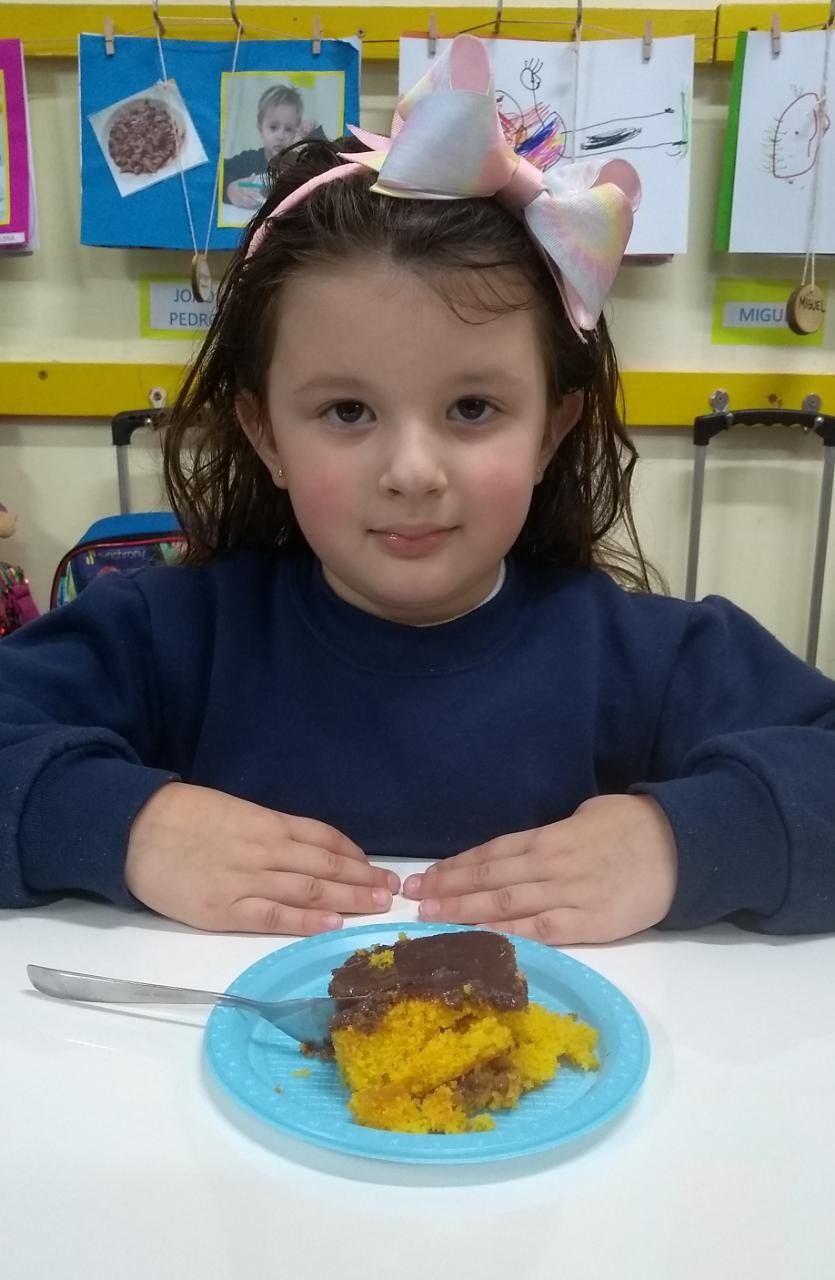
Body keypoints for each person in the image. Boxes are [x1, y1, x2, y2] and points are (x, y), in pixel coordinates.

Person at [2, 37, 834, 944]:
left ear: (550, 431)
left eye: (472, 408)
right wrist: (126, 825)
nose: (410, 471)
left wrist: (684, 844)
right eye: (346, 411)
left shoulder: (655, 661)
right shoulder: (164, 636)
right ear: (265, 434)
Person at [224, 84, 311, 210]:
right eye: (273, 127)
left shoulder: (300, 165)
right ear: (261, 129)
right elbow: (217, 173)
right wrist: (230, 189)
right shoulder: (248, 160)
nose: (280, 136)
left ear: (296, 131)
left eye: (288, 129)